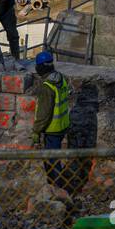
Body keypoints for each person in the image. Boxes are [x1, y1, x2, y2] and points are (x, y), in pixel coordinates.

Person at [32, 51, 73, 195]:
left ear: (41, 67)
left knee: (53, 160)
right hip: (62, 126)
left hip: (51, 129)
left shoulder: (46, 87)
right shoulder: (60, 78)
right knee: (53, 158)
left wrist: (36, 131)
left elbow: (44, 114)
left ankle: (58, 189)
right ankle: (55, 186)